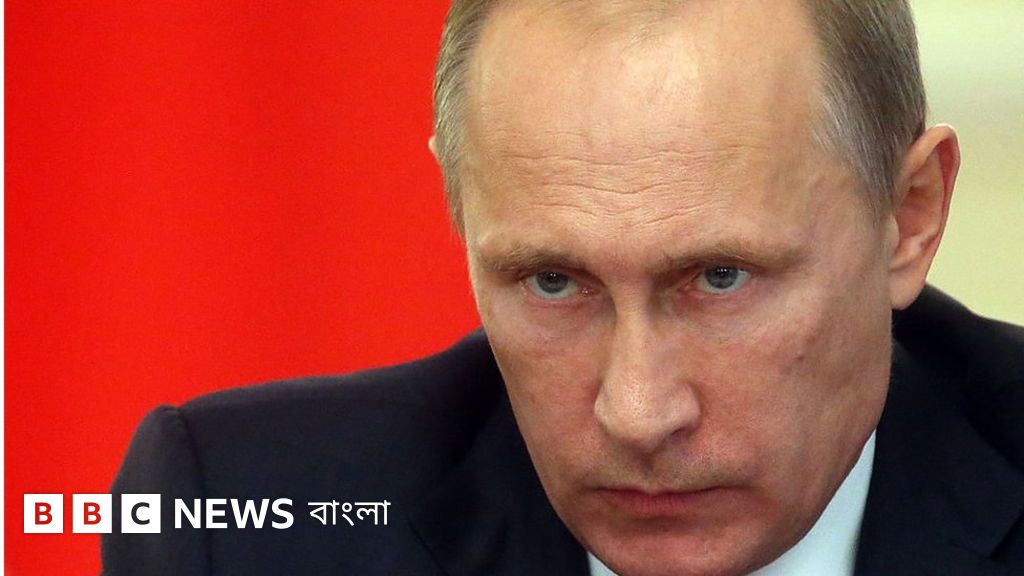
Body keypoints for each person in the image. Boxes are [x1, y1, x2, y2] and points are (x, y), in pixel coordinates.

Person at [102, 0, 1024, 574]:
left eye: (720, 278)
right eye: (553, 282)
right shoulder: (245, 527)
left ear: (909, 215)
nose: (638, 413)